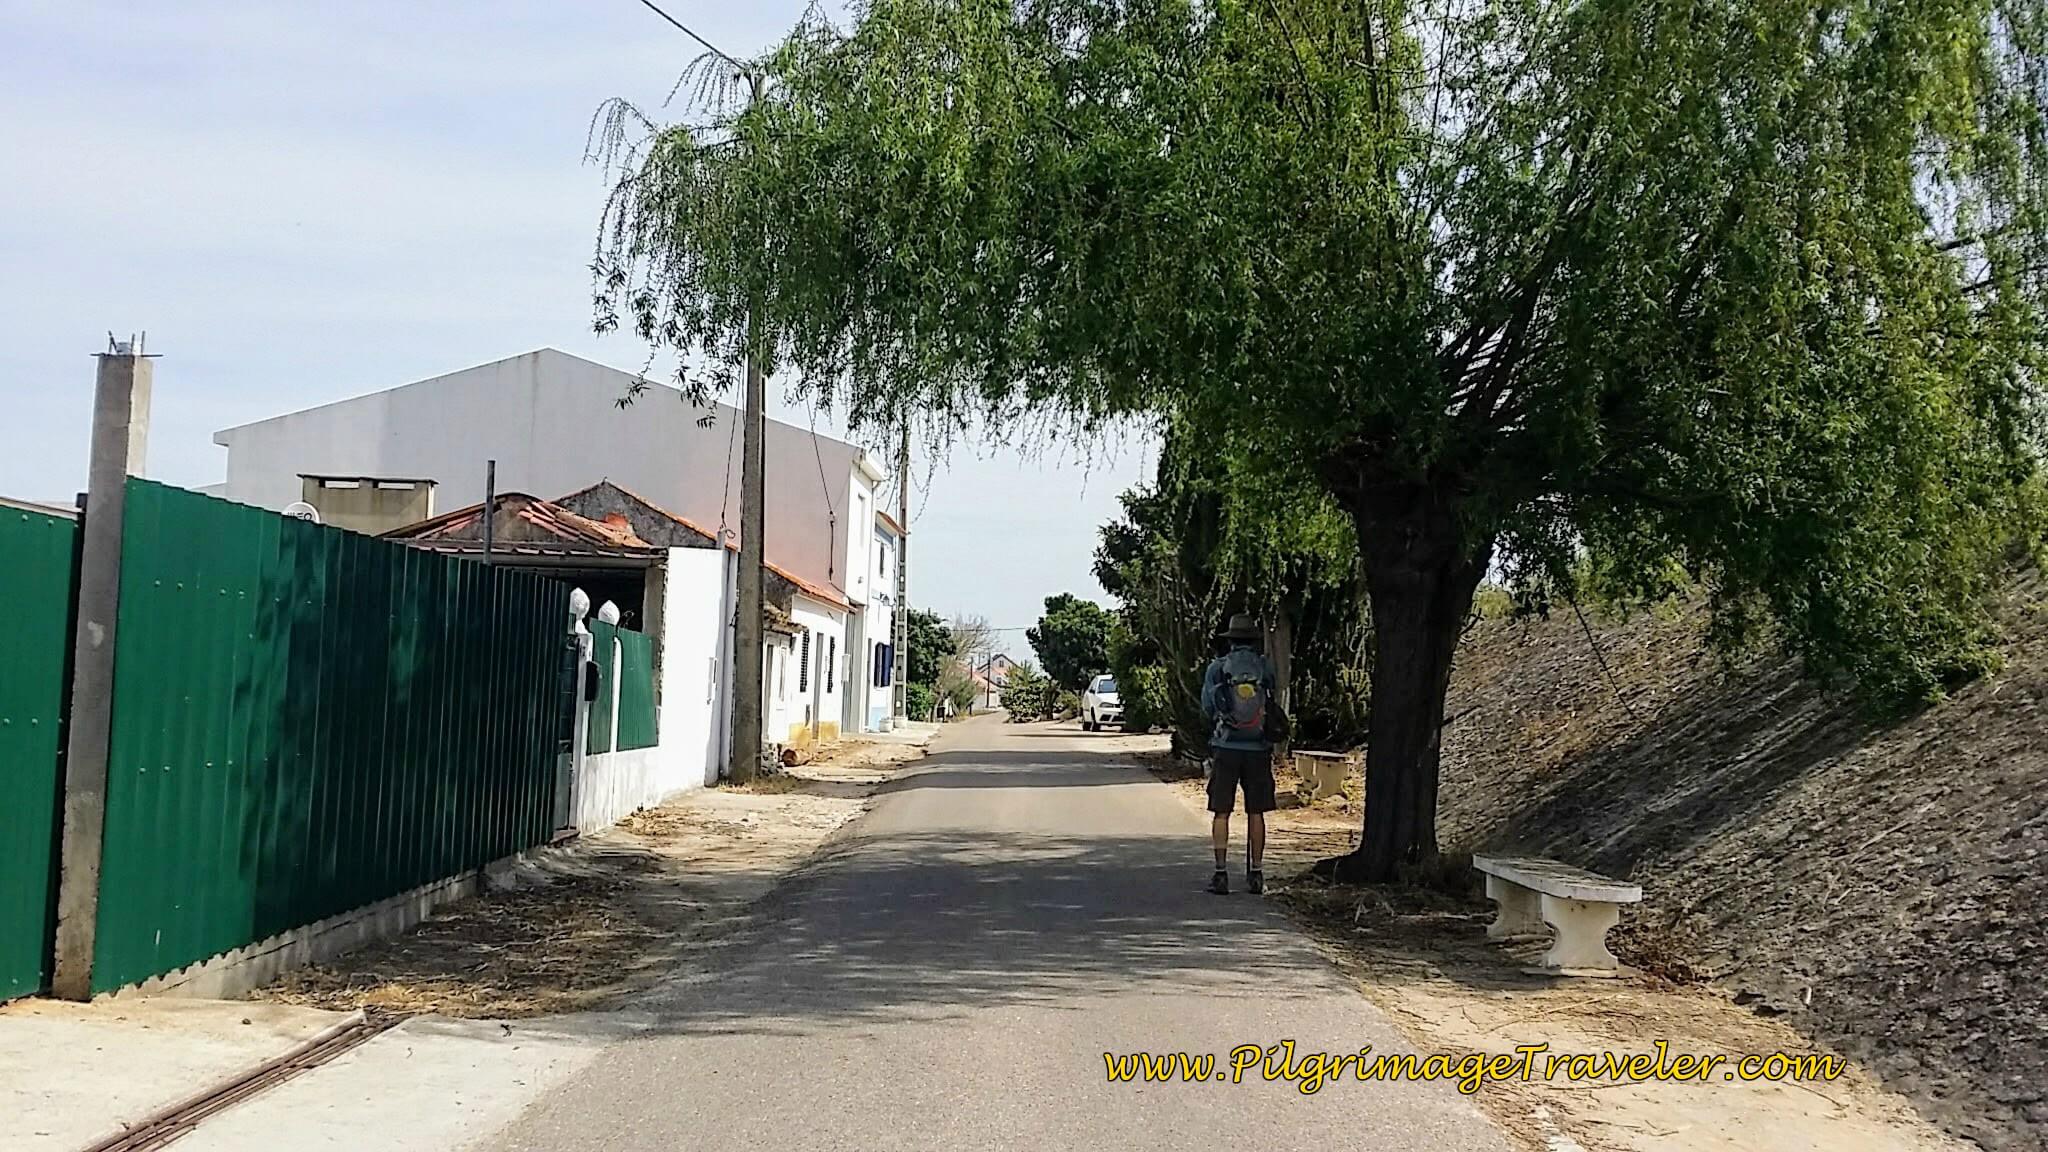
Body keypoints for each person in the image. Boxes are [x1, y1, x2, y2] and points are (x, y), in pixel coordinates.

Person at [1201, 613, 1283, 895]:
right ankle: (1257, 873)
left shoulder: (1218, 668)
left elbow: (1208, 707)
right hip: (1258, 747)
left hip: (1226, 746)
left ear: (1231, 640)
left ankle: (1221, 873)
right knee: (1256, 811)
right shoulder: (1264, 667)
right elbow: (1273, 699)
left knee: (1222, 810)